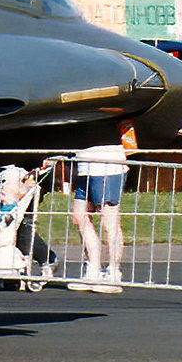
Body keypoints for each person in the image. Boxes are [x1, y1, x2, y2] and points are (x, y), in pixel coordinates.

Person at [69, 125, 133, 294]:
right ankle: (93, 270)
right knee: (79, 216)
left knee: (108, 221)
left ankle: (113, 273)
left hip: (107, 164)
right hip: (84, 165)